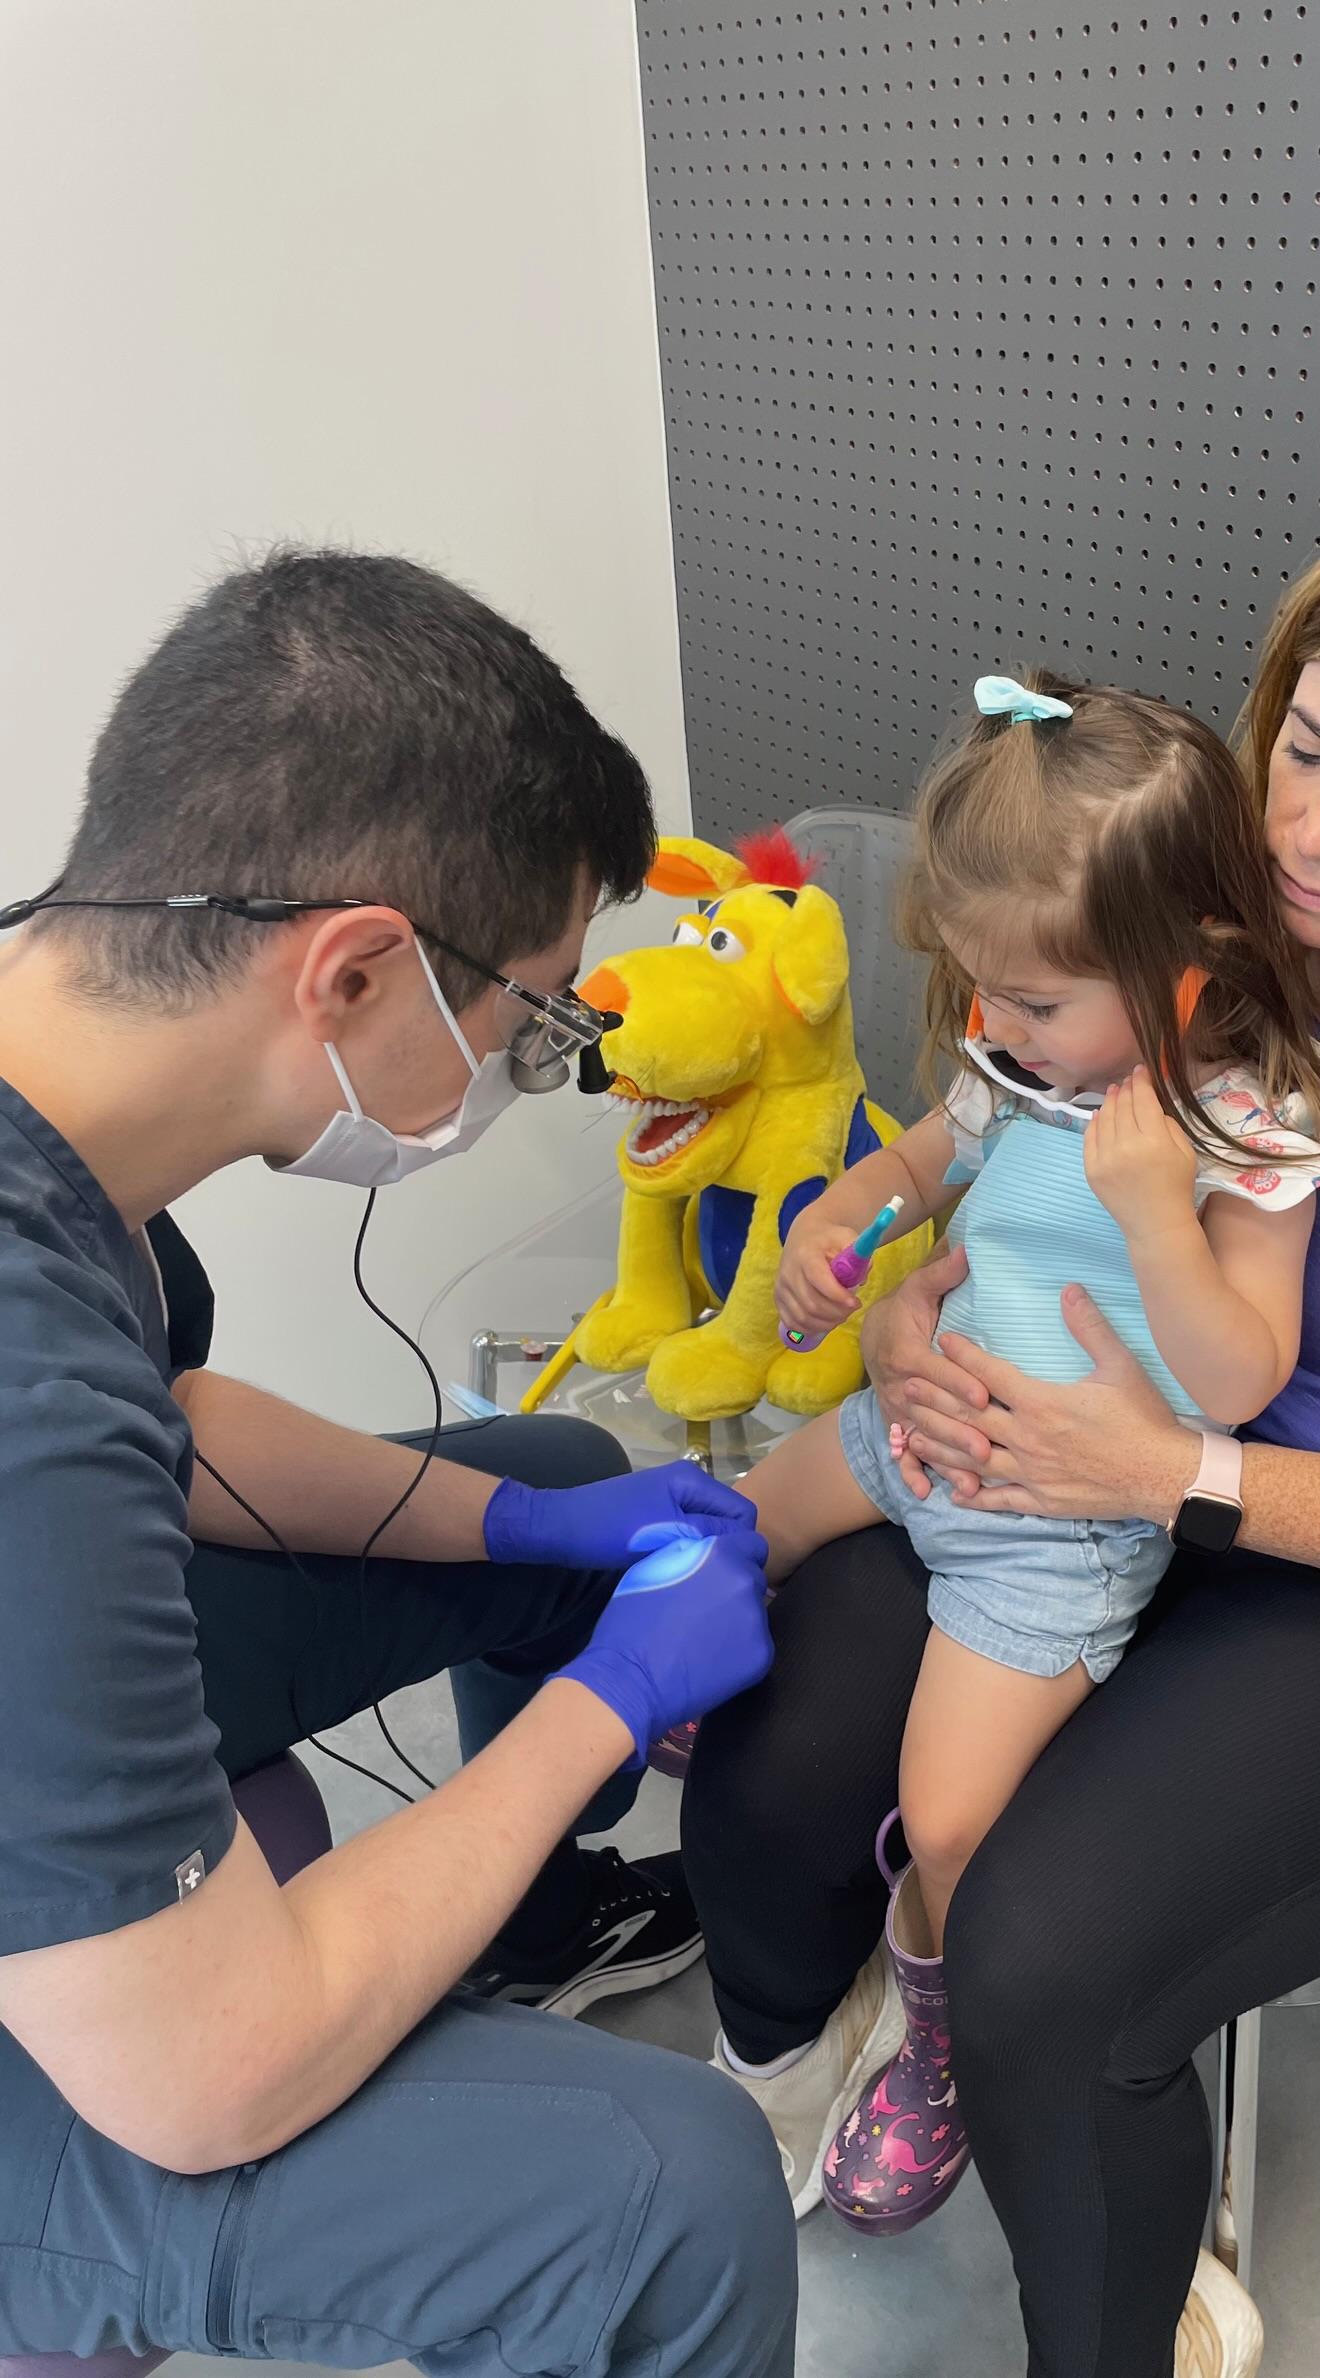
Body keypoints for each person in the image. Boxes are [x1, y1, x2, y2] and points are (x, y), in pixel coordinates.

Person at [0, 550, 796, 2378]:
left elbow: (178, 1421)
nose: (530, 1064)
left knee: (540, 1456)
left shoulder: (60, 1101)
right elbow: (209, 2075)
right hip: (105, 2052)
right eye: (528, 1023)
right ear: (356, 967)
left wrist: (534, 1518)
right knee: (664, 2186)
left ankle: (515, 1926)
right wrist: (609, 1702)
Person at [686, 555, 1320, 2378]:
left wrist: (1164, 1447)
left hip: (1136, 1516)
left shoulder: (1238, 1126)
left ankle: (1019, 2137)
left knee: (1000, 1886)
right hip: (983, 1441)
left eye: (1029, 1004)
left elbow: (1234, 1368)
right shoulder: (1079, 1012)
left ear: (1166, 988)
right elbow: (936, 1150)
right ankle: (783, 2012)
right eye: (1312, 743)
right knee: (768, 1674)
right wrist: (882, 1286)